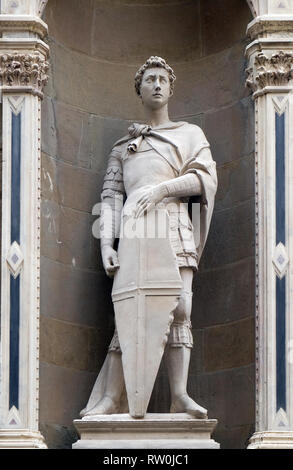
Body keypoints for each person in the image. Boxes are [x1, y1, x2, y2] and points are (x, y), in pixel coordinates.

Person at [81, 56, 217, 419]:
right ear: (139, 90)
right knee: (129, 312)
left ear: (171, 88)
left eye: (162, 79)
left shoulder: (190, 135)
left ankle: (179, 395)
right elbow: (111, 197)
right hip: (136, 231)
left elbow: (204, 180)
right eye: (149, 80)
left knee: (181, 309)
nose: (157, 84)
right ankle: (112, 398)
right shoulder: (122, 147)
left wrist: (160, 191)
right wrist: (106, 244)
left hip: (173, 224)